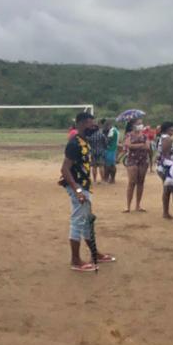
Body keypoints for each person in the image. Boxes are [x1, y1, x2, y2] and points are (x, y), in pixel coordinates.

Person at [60, 111, 116, 272]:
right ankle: (76, 260)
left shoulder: (86, 141)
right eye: (91, 124)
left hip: (84, 186)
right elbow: (65, 169)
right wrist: (77, 190)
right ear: (82, 123)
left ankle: (94, 253)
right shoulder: (74, 143)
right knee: (78, 221)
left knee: (86, 221)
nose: (94, 126)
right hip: (78, 187)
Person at [123, 118, 150, 212]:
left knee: (141, 182)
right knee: (132, 182)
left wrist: (136, 145)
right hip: (132, 160)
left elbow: (147, 147)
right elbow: (128, 145)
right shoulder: (128, 135)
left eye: (141, 123)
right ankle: (128, 206)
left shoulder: (144, 135)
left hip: (143, 160)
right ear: (133, 125)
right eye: (139, 123)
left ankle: (138, 205)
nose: (141, 125)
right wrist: (141, 145)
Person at [87, 119, 108, 184]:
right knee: (101, 166)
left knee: (94, 167)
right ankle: (102, 180)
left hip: (93, 152)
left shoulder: (90, 136)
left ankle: (95, 180)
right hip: (101, 151)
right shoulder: (102, 135)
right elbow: (106, 143)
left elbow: (88, 143)